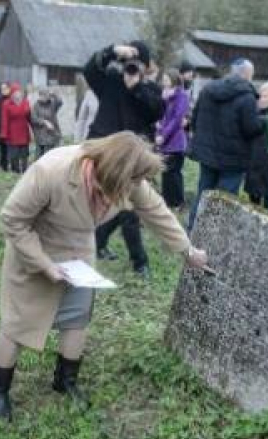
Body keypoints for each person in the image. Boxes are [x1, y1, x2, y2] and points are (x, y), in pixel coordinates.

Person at [0, 131, 209, 421]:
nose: (131, 191)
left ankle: (65, 382)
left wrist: (187, 250)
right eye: (126, 186)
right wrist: (43, 264)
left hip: (78, 251)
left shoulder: (129, 178)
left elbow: (156, 210)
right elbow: (12, 220)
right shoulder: (51, 171)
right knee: (18, 322)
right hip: (35, 247)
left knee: (77, 317)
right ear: (108, 171)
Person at [84, 41, 164, 278]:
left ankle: (137, 260)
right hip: (103, 150)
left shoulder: (150, 89)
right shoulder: (109, 80)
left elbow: (156, 111)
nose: (131, 68)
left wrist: (136, 87)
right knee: (110, 202)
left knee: (128, 207)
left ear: (146, 67)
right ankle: (130, 257)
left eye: (137, 64)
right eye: (128, 63)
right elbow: (89, 70)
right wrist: (110, 51)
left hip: (131, 158)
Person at [187, 58, 265, 230]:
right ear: (248, 74)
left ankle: (193, 230)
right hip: (233, 159)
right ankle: (215, 235)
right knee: (225, 200)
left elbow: (195, 118)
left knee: (203, 193)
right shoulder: (247, 97)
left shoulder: (208, 89)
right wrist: (264, 122)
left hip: (207, 154)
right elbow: (251, 128)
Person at [156, 68, 190, 210]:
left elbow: (176, 119)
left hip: (175, 141)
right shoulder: (165, 96)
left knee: (174, 172)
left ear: (174, 79)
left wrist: (163, 135)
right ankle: (167, 200)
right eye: (163, 78)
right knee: (166, 171)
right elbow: (163, 117)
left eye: (166, 78)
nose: (164, 80)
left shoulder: (181, 96)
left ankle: (178, 202)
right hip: (164, 140)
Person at [244, 81, 268, 208]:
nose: (260, 99)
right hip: (253, 162)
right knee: (253, 199)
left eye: (265, 96)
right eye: (259, 96)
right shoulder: (253, 115)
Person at [0, 82, 31, 174]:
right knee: (14, 155)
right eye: (15, 93)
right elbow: (4, 120)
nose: (17, 94)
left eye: (19, 92)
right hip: (12, 133)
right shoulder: (6, 104)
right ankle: (16, 171)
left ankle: (25, 171)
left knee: (24, 154)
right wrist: (4, 134)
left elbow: (29, 117)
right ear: (12, 94)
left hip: (23, 131)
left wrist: (34, 130)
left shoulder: (26, 102)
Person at [31, 88, 63, 158]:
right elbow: (34, 119)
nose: (45, 97)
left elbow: (60, 102)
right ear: (39, 96)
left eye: (46, 95)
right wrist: (44, 122)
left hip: (52, 133)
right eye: (43, 95)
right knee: (40, 156)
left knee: (52, 155)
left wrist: (54, 95)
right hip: (41, 134)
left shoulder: (52, 103)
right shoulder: (36, 106)